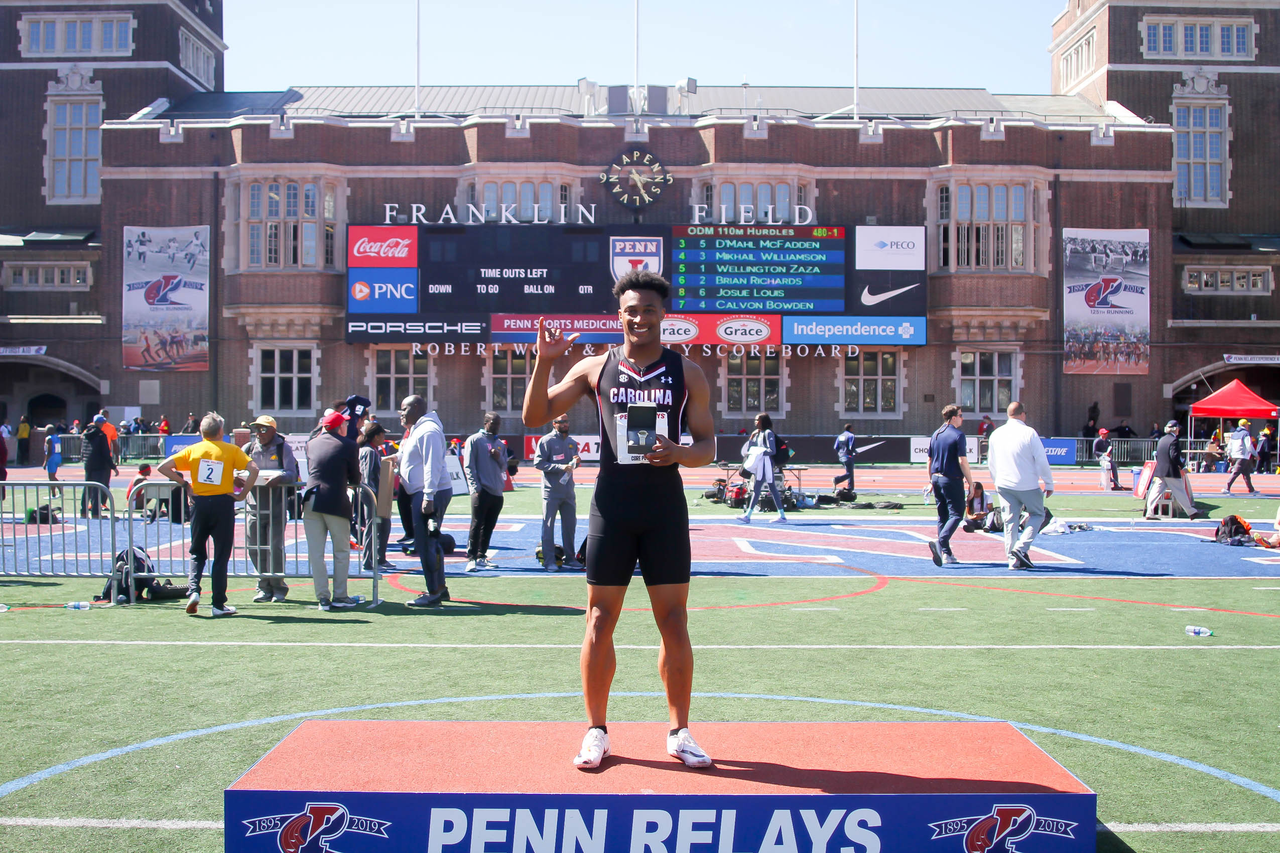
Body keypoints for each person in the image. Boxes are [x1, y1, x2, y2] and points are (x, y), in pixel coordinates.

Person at [521, 268, 717, 770]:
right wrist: (544, 363)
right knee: (598, 620)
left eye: (649, 310)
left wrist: (677, 452)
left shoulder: (686, 372)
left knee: (674, 622)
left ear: (663, 314)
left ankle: (679, 731)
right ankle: (596, 731)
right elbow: (534, 417)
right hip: (612, 504)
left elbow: (708, 447)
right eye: (631, 310)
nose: (640, 318)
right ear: (620, 314)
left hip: (663, 507)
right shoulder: (595, 368)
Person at [158, 413, 259, 617]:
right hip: (223, 503)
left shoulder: (194, 450)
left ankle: (193, 590)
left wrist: (185, 484)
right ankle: (218, 603)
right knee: (221, 555)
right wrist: (243, 494)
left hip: (199, 503)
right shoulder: (230, 450)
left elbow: (164, 467)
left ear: (201, 432)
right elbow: (253, 469)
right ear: (220, 431)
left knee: (197, 551)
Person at [302, 410, 361, 611]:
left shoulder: (311, 443)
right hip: (334, 500)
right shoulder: (349, 445)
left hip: (310, 499)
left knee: (316, 553)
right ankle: (340, 596)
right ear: (339, 427)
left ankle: (322, 598)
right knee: (341, 550)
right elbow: (355, 478)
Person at [398, 395, 452, 606]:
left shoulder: (428, 430)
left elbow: (432, 465)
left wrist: (429, 496)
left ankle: (434, 592)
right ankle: (439, 587)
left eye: (404, 408)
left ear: (417, 407)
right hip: (424, 491)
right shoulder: (418, 429)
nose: (401, 413)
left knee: (427, 543)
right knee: (430, 541)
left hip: (429, 492)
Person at [987, 401, 1054, 570]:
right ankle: (1021, 547)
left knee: (1010, 521)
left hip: (1004, 484)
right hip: (1027, 484)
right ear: (1023, 414)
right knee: (1038, 514)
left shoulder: (996, 434)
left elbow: (991, 462)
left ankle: (1012, 560)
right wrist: (1048, 482)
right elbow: (1041, 459)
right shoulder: (1029, 432)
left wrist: (996, 481)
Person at [242, 416, 299, 603]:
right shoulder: (249, 448)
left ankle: (278, 587)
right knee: (255, 547)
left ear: (274, 430)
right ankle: (263, 586)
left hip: (276, 506)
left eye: (264, 429)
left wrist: (280, 478)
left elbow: (292, 473)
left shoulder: (283, 448)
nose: (259, 433)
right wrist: (238, 478)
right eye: (257, 429)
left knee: (274, 547)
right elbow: (237, 469)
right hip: (254, 507)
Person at [925, 404, 973, 566]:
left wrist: (930, 479)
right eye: (960, 415)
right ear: (953, 418)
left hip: (937, 478)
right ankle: (942, 542)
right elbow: (962, 460)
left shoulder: (936, 434)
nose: (962, 418)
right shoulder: (958, 435)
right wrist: (971, 483)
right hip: (951, 478)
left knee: (943, 515)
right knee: (957, 514)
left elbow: (929, 460)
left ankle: (946, 554)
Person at [534, 414, 583, 571]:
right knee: (548, 526)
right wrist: (559, 467)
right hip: (551, 491)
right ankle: (549, 561)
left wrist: (576, 462)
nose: (565, 424)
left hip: (568, 491)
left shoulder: (572, 443)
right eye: (562, 422)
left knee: (570, 526)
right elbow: (539, 463)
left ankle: (570, 558)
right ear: (554, 424)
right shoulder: (546, 441)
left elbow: (571, 466)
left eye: (567, 421)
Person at [463, 412, 508, 572]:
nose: (496, 427)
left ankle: (482, 555)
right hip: (481, 491)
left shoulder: (500, 444)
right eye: (494, 423)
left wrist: (498, 458)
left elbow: (504, 467)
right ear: (486, 422)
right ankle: (472, 557)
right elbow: (469, 466)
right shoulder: (474, 440)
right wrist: (475, 488)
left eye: (498, 424)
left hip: (497, 492)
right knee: (476, 524)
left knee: (489, 526)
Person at [1147, 420, 1206, 520]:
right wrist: (1182, 467)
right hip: (1171, 471)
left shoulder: (1162, 439)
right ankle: (1191, 512)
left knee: (1155, 492)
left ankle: (1150, 512)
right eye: (1177, 427)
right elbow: (1174, 456)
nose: (1178, 429)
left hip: (1161, 470)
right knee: (1180, 491)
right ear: (1175, 429)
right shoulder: (1174, 440)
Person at [357, 422, 394, 573]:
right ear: (376, 435)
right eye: (382, 434)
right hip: (372, 494)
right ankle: (367, 561)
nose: (384, 437)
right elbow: (367, 476)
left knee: (384, 525)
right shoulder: (369, 452)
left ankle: (380, 558)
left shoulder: (372, 450)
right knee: (372, 526)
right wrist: (374, 496)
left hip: (376, 493)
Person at [737, 412, 786, 524]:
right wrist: (751, 437)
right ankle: (781, 515)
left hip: (766, 464)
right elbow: (750, 449)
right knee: (770, 488)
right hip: (761, 464)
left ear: (762, 421)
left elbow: (772, 450)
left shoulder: (768, 433)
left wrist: (759, 453)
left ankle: (748, 515)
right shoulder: (759, 433)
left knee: (758, 488)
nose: (755, 422)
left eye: (757, 420)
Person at [80, 414, 118, 518]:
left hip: (88, 464)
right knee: (97, 489)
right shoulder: (101, 435)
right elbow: (106, 452)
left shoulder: (85, 434)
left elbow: (83, 450)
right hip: (100, 465)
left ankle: (83, 511)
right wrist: (113, 466)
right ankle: (96, 513)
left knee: (87, 488)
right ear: (100, 423)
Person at [1223, 418, 1260, 496]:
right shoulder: (1245, 433)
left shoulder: (1234, 434)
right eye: (1247, 425)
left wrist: (1229, 455)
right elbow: (1249, 446)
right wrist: (1256, 454)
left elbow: (1229, 446)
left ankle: (1251, 489)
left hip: (1235, 455)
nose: (1248, 426)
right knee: (1236, 472)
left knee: (1246, 474)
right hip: (1242, 456)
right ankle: (1226, 488)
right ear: (1245, 425)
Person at [833, 423, 856, 491]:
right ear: (850, 428)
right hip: (848, 456)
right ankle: (836, 480)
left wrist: (840, 453)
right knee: (849, 473)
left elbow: (835, 447)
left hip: (841, 457)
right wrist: (855, 452)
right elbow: (851, 447)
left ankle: (850, 488)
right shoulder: (851, 436)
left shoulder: (840, 436)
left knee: (849, 472)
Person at [43, 424, 63, 496]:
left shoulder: (49, 438)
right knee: (53, 476)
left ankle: (55, 492)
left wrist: (45, 462)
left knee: (51, 477)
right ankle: (56, 492)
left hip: (52, 457)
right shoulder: (57, 437)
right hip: (58, 456)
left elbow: (49, 451)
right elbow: (61, 448)